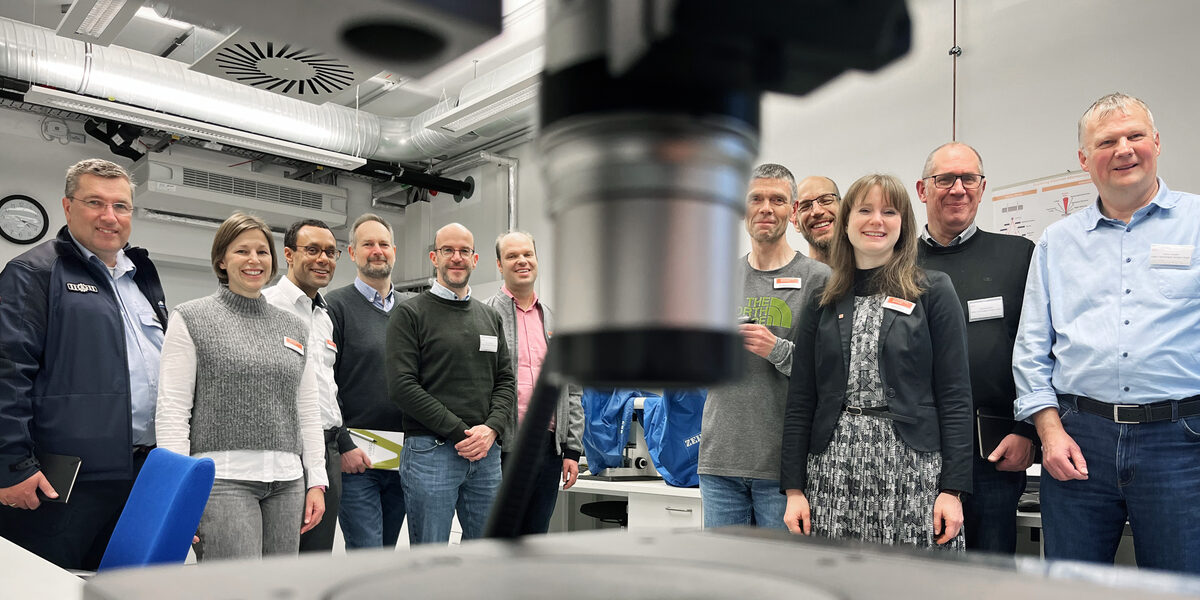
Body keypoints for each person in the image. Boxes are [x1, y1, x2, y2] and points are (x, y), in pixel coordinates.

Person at [1013, 93, 1200, 574]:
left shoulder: (1197, 224)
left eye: (1135, 136)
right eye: (1107, 141)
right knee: (1072, 583)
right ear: (1083, 159)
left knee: (1180, 582)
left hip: (1180, 442)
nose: (1124, 149)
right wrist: (1049, 433)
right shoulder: (1058, 241)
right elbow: (1032, 348)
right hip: (1078, 440)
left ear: (1156, 142)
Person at [781, 173, 972, 550]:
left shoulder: (932, 291)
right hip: (834, 468)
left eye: (889, 211)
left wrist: (953, 489)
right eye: (865, 210)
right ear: (847, 223)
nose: (877, 220)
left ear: (903, 224)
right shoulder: (822, 299)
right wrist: (793, 489)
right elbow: (801, 399)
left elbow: (955, 397)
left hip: (912, 468)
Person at [0, 159, 168, 570]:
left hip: (141, 475)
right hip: (63, 483)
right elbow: (7, 371)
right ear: (68, 206)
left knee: (121, 586)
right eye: (95, 202)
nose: (110, 217)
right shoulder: (33, 272)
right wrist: (11, 466)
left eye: (121, 206)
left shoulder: (141, 275)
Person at [156, 212, 326, 561]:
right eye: (241, 251)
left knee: (281, 589)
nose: (254, 260)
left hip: (288, 483)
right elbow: (173, 410)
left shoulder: (294, 326)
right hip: (222, 482)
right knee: (234, 590)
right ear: (221, 259)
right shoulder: (191, 317)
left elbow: (307, 410)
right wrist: (176, 494)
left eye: (262, 252)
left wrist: (316, 481)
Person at [915, 142, 1036, 554]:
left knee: (991, 575)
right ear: (922, 189)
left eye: (968, 178)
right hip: (915, 449)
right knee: (918, 572)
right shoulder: (897, 265)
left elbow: (1037, 348)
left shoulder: (1018, 256)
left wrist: (1027, 430)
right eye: (944, 178)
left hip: (995, 451)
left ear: (982, 188)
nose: (957, 188)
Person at [698, 164, 829, 529]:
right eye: (756, 198)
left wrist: (777, 349)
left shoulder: (819, 279)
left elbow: (832, 373)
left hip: (784, 468)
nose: (766, 208)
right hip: (720, 459)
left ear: (793, 211)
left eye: (777, 200)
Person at [387, 223, 515, 545]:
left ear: (475, 259)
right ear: (434, 257)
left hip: (486, 454)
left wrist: (492, 429)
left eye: (464, 251)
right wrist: (462, 433)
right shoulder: (409, 313)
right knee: (431, 560)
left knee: (485, 555)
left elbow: (505, 380)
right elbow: (403, 385)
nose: (456, 258)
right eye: (448, 251)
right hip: (431, 452)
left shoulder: (490, 317)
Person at [483, 231, 585, 535]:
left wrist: (572, 451)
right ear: (499, 265)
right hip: (501, 446)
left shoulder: (555, 320)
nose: (522, 261)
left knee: (535, 537)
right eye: (512, 256)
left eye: (528, 254)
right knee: (498, 538)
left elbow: (572, 390)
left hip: (548, 447)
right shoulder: (485, 315)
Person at [326, 214, 413, 549]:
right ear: (352, 253)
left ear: (394, 251)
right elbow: (324, 384)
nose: (377, 251)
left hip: (404, 457)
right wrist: (343, 444)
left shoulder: (412, 309)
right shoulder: (334, 307)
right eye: (368, 244)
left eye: (383, 244)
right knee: (367, 550)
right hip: (355, 459)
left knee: (386, 553)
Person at [263, 219, 343, 553]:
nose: (322, 259)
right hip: (286, 449)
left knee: (316, 558)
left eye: (330, 252)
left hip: (328, 451)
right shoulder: (265, 305)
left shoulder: (324, 316)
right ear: (288, 254)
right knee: (278, 560)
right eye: (312, 250)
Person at [791, 176, 841, 264]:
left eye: (826, 200)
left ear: (844, 209)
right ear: (796, 223)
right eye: (805, 206)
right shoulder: (791, 276)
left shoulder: (872, 272)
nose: (817, 211)